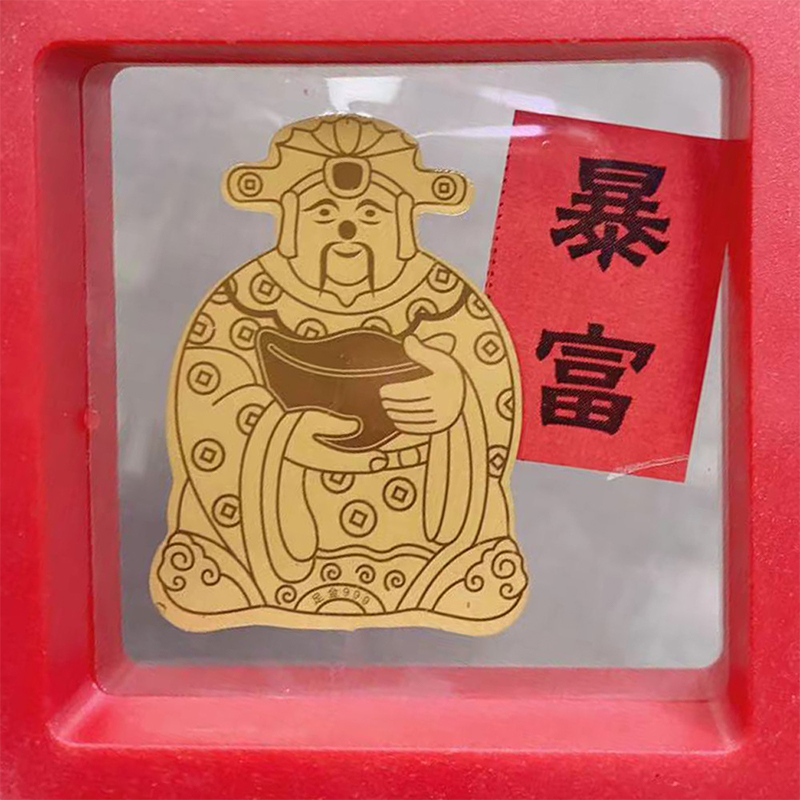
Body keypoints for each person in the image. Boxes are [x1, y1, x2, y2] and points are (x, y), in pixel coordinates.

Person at [150, 114, 528, 635]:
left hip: (416, 529)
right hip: (272, 529)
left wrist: (455, 402)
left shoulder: (445, 300)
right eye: (324, 212)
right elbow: (209, 400)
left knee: (460, 574)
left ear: (403, 222)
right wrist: (280, 436)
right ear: (290, 221)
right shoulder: (245, 300)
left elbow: (492, 395)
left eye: (370, 213)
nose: (347, 229)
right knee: (221, 570)